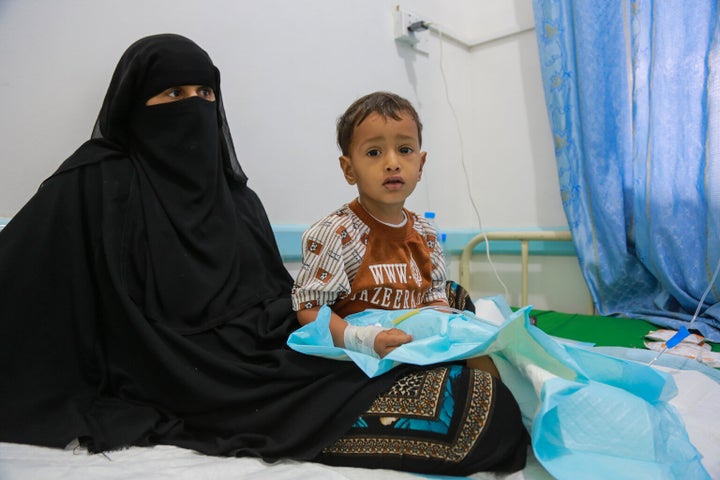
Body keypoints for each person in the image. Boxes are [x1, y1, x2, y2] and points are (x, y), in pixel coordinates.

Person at [0, 35, 525, 476]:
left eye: (204, 91)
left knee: (450, 302)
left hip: (262, 351)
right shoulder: (96, 184)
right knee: (474, 412)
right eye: (172, 94)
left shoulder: (233, 196)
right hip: (191, 377)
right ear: (135, 104)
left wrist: (350, 321)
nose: (192, 105)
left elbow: (276, 298)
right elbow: (22, 272)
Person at [291, 92, 523, 469]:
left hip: (420, 344)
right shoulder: (335, 233)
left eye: (404, 149)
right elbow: (309, 309)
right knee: (478, 370)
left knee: (488, 328)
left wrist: (451, 326)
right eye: (373, 153)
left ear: (421, 162)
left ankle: (531, 404)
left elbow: (435, 299)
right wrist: (364, 338)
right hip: (367, 355)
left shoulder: (426, 234)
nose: (392, 163)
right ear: (348, 169)